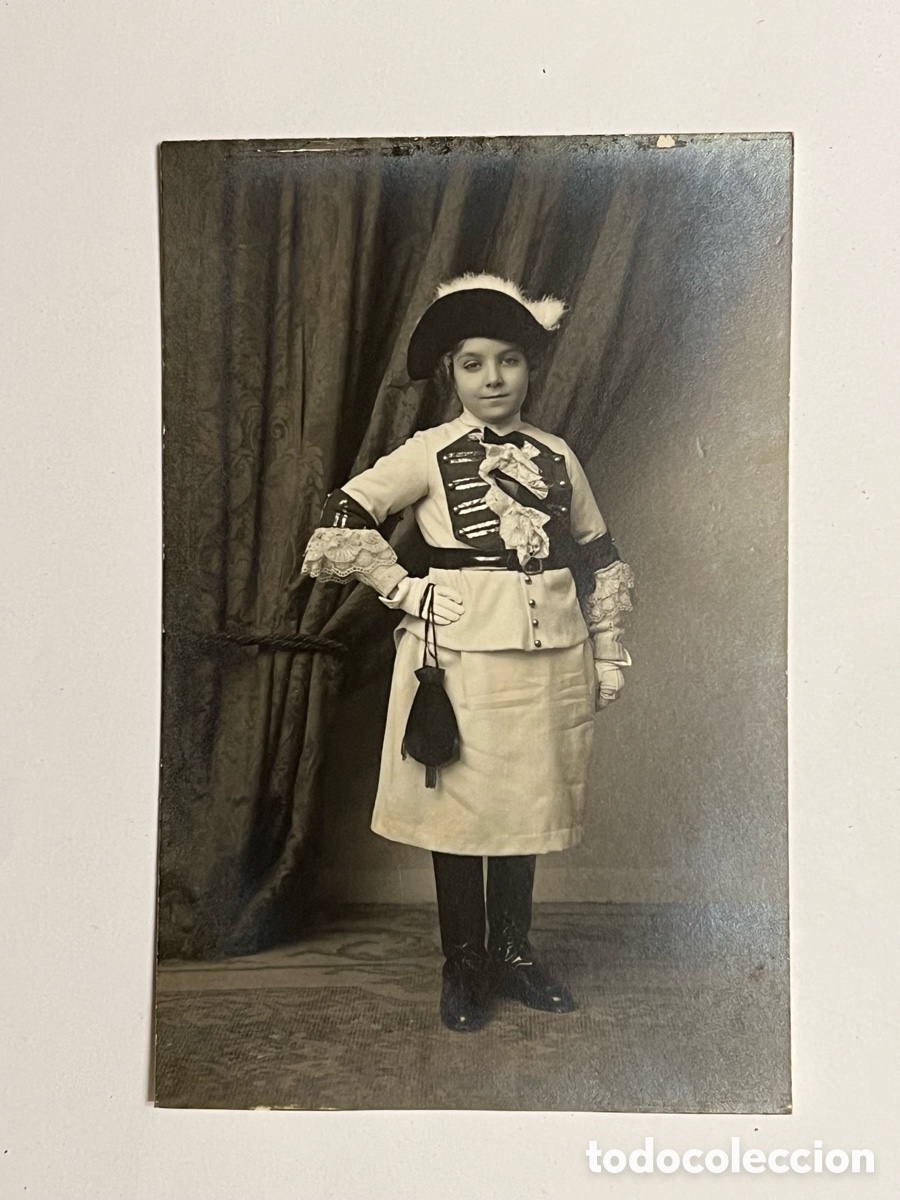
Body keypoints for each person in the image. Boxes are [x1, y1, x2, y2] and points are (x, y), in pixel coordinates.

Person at [302, 274, 634, 1032]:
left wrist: (608, 649)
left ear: (530, 369)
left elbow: (601, 553)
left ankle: (515, 954)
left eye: (509, 360)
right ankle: (465, 961)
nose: (493, 379)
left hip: (552, 655)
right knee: (458, 806)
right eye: (474, 363)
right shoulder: (429, 451)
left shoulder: (558, 454)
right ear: (451, 373)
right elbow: (344, 514)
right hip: (458, 657)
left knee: (527, 802)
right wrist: (404, 588)